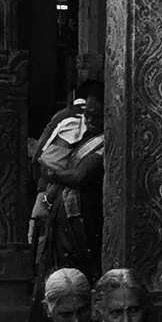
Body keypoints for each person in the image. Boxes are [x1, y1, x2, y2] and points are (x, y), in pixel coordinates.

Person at [34, 83, 104, 284]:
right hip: (63, 218)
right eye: (87, 115)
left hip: (84, 220)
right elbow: (42, 159)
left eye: (96, 116)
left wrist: (53, 175)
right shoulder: (77, 131)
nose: (90, 120)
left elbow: (79, 177)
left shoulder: (103, 142)